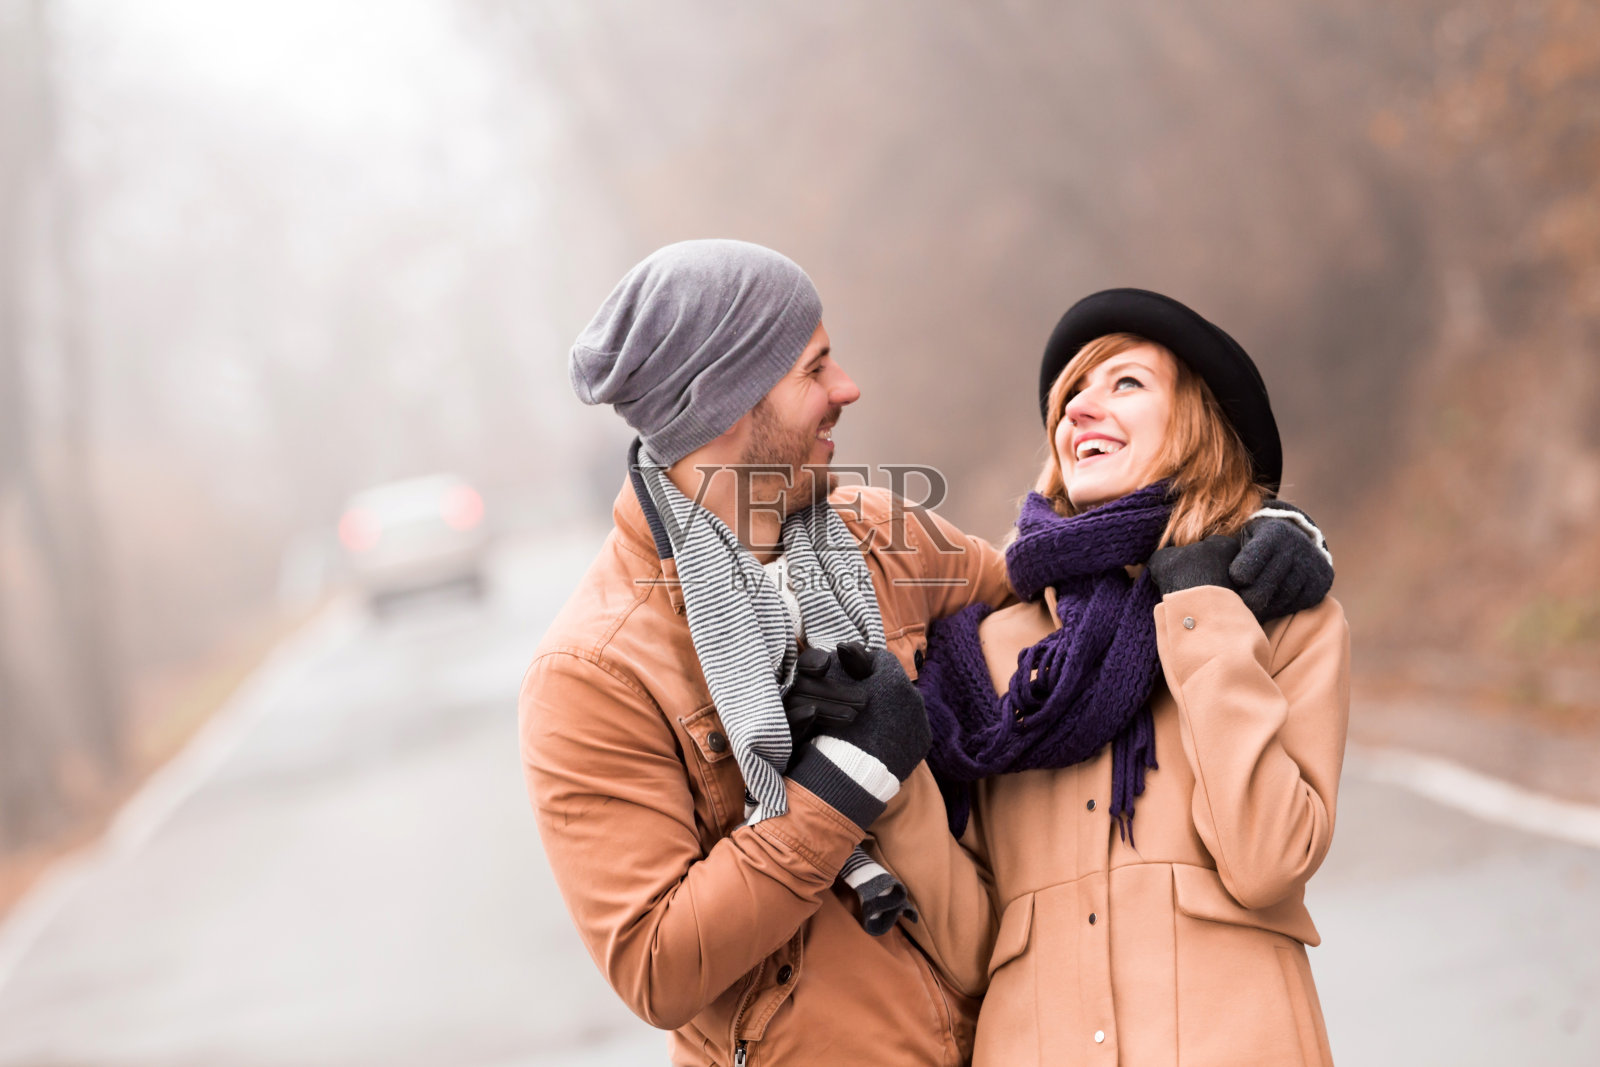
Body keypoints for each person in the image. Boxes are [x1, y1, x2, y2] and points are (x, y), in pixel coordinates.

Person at [518, 239, 1011, 1067]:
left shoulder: (883, 532)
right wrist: (836, 789)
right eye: (815, 369)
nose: (846, 388)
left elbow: (1052, 610)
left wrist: (1221, 541)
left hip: (1009, 1040)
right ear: (730, 403)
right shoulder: (594, 670)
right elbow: (656, 964)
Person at [912, 288, 1350, 1066]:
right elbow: (964, 944)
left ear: (1198, 424)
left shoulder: (1283, 618)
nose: (1081, 408)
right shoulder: (985, 659)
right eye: (1071, 394)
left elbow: (1268, 861)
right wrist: (888, 775)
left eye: (1125, 383)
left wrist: (1200, 612)